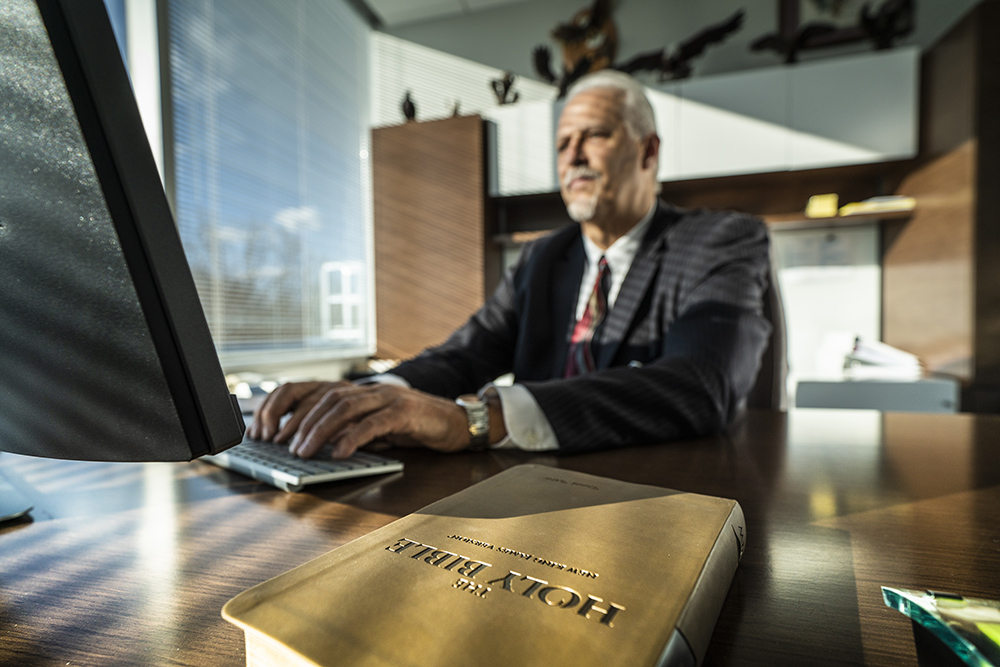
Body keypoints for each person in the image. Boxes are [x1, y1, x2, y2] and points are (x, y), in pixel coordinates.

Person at [248, 70, 772, 458]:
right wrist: (372, 398)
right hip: (528, 491)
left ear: (648, 151)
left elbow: (704, 383)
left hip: (656, 499)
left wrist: (478, 419)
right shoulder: (544, 257)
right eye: (563, 143)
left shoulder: (721, 240)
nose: (573, 157)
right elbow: (464, 356)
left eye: (594, 135)